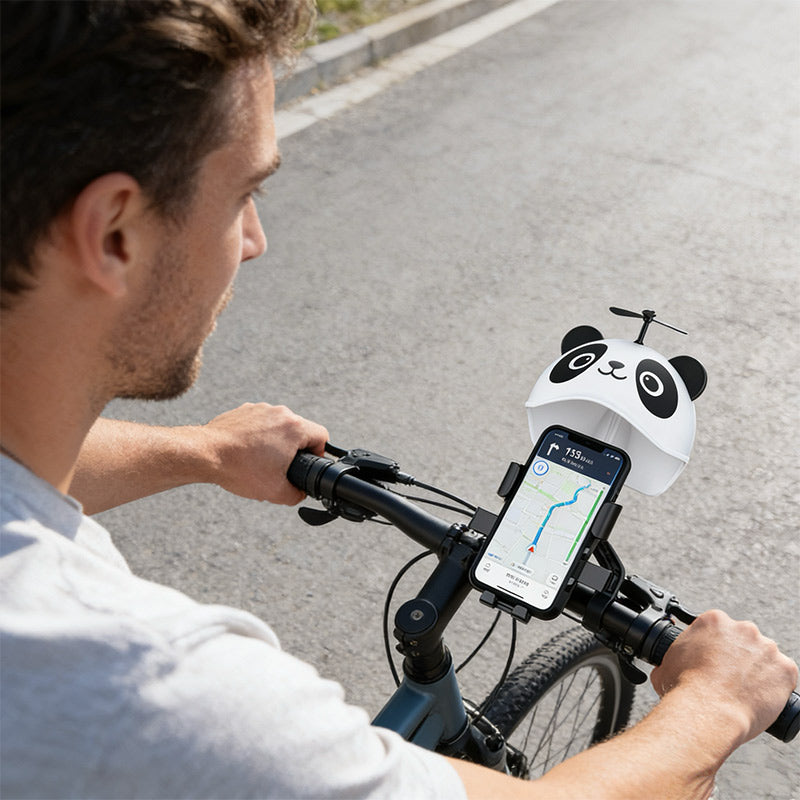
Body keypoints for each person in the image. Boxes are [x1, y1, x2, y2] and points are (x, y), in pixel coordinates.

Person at [0, 2, 796, 798]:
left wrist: (203, 451)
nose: (255, 241)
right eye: (243, 195)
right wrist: (718, 703)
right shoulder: (152, 694)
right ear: (114, 234)